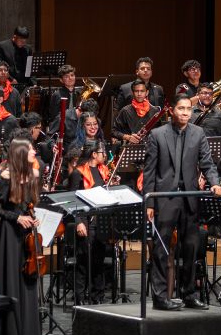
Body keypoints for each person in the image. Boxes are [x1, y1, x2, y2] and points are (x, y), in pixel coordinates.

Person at [143, 94, 221, 311]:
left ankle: (189, 294)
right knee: (161, 249)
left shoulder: (198, 134)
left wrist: (215, 183)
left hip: (190, 198)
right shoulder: (157, 134)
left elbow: (207, 163)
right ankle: (160, 297)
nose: (185, 112)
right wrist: (149, 204)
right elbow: (149, 171)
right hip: (165, 198)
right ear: (172, 110)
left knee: (190, 248)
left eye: (188, 108)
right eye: (181, 108)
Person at [0, 138, 43, 335]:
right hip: (9, 235)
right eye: (30, 149)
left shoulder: (34, 175)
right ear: (20, 152)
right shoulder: (5, 177)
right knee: (12, 282)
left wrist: (31, 217)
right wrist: (15, 218)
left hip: (27, 235)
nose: (34, 151)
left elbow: (30, 205)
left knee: (27, 283)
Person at [67, 141, 112, 301]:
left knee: (98, 263)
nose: (105, 155)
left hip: (100, 222)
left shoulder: (103, 171)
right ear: (94, 154)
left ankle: (97, 298)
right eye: (102, 152)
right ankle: (79, 300)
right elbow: (72, 200)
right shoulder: (78, 173)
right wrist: (78, 221)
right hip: (85, 222)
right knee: (83, 264)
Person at [113, 80, 161, 144]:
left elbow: (160, 132)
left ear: (147, 92)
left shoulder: (155, 111)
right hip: (130, 148)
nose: (139, 94)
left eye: (142, 91)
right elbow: (114, 131)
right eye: (136, 91)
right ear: (132, 93)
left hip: (151, 148)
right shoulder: (125, 111)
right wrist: (128, 137)